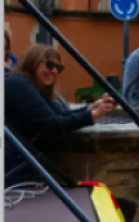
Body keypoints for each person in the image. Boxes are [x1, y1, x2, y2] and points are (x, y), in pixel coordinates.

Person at [5, 44, 114, 181]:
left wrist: (91, 108)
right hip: (13, 171)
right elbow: (52, 124)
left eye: (58, 68)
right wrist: (92, 116)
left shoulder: (31, 86)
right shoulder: (19, 84)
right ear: (33, 61)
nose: (54, 71)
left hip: (20, 166)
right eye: (50, 65)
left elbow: (58, 114)